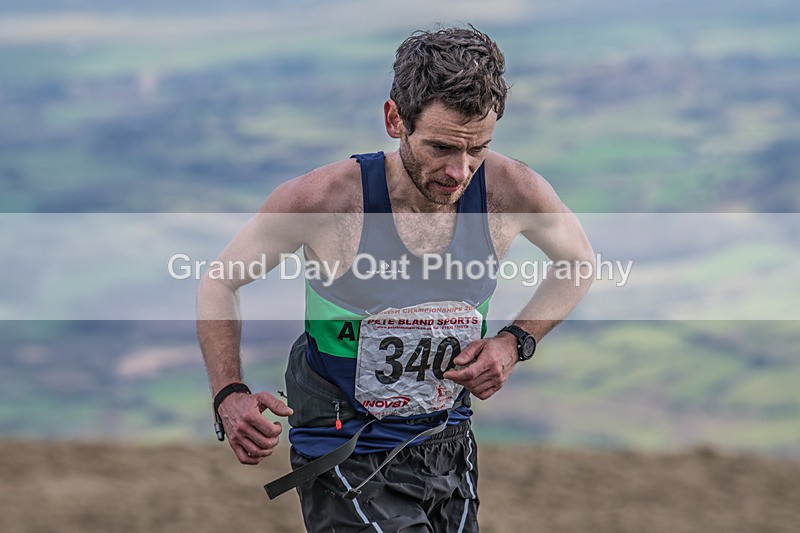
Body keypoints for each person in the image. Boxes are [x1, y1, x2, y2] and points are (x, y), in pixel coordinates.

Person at [197, 25, 594, 532]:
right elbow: (219, 281)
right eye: (441, 148)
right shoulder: (325, 201)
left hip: (448, 438)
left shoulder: (511, 191)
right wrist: (229, 392)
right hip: (345, 448)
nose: (460, 170)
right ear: (394, 120)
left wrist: (514, 343)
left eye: (478, 148)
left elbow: (579, 262)